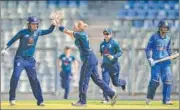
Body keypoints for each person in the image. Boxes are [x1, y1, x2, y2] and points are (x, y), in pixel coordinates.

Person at [57, 20, 118, 106]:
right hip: (91, 59)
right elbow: (70, 34)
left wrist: (59, 26)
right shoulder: (80, 34)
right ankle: (112, 94)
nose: (73, 27)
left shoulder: (80, 34)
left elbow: (67, 31)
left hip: (88, 59)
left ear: (79, 27)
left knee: (83, 80)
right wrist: (61, 27)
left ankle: (82, 101)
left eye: (75, 26)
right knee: (97, 80)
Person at [1, 16, 57, 106]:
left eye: (36, 24)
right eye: (33, 24)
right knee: (15, 76)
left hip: (30, 60)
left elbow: (49, 31)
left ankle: (40, 101)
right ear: (29, 24)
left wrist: (53, 25)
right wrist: (5, 48)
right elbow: (13, 39)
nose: (35, 25)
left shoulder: (38, 32)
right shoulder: (23, 32)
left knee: (34, 80)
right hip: (20, 58)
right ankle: (12, 98)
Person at [145, 20, 173, 105]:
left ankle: (166, 100)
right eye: (164, 27)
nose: (165, 29)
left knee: (168, 80)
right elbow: (148, 49)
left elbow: (168, 50)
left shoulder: (168, 38)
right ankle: (149, 97)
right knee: (155, 81)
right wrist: (149, 58)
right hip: (156, 62)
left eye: (166, 27)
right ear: (160, 27)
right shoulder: (154, 37)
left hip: (166, 63)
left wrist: (171, 56)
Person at [99, 28, 126, 103]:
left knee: (116, 83)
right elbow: (101, 53)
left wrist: (113, 56)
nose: (106, 35)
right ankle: (105, 98)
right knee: (105, 82)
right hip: (105, 66)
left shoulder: (114, 43)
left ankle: (123, 82)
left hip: (114, 66)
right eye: (104, 34)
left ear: (110, 34)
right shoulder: (102, 44)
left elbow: (120, 52)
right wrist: (102, 61)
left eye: (107, 34)